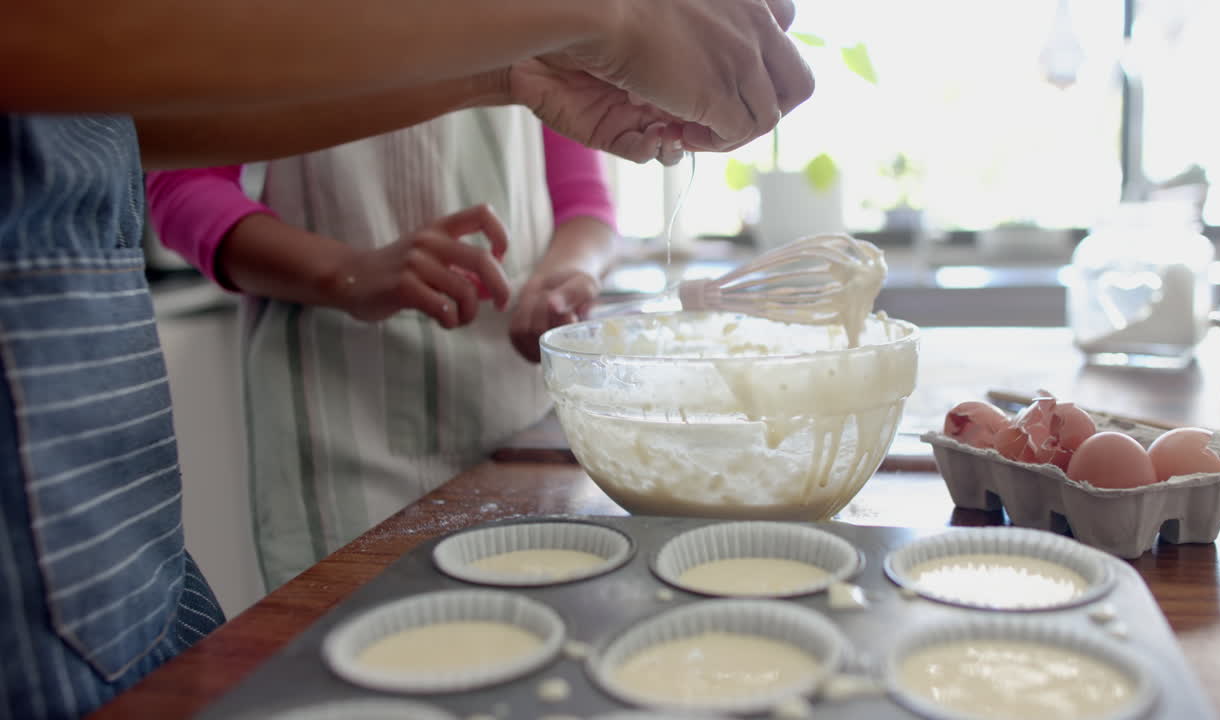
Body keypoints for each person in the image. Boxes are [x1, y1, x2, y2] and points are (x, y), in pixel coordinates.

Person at [1, 1, 812, 715]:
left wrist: (526, 68)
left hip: (126, 522)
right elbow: (163, 159)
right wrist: (341, 270)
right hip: (332, 416)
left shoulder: (525, 48)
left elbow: (124, 126)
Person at [146, 118, 617, 589]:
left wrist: (565, 275)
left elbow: (584, 200)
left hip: (515, 409)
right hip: (336, 410)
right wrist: (345, 272)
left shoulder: (535, 46)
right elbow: (183, 186)